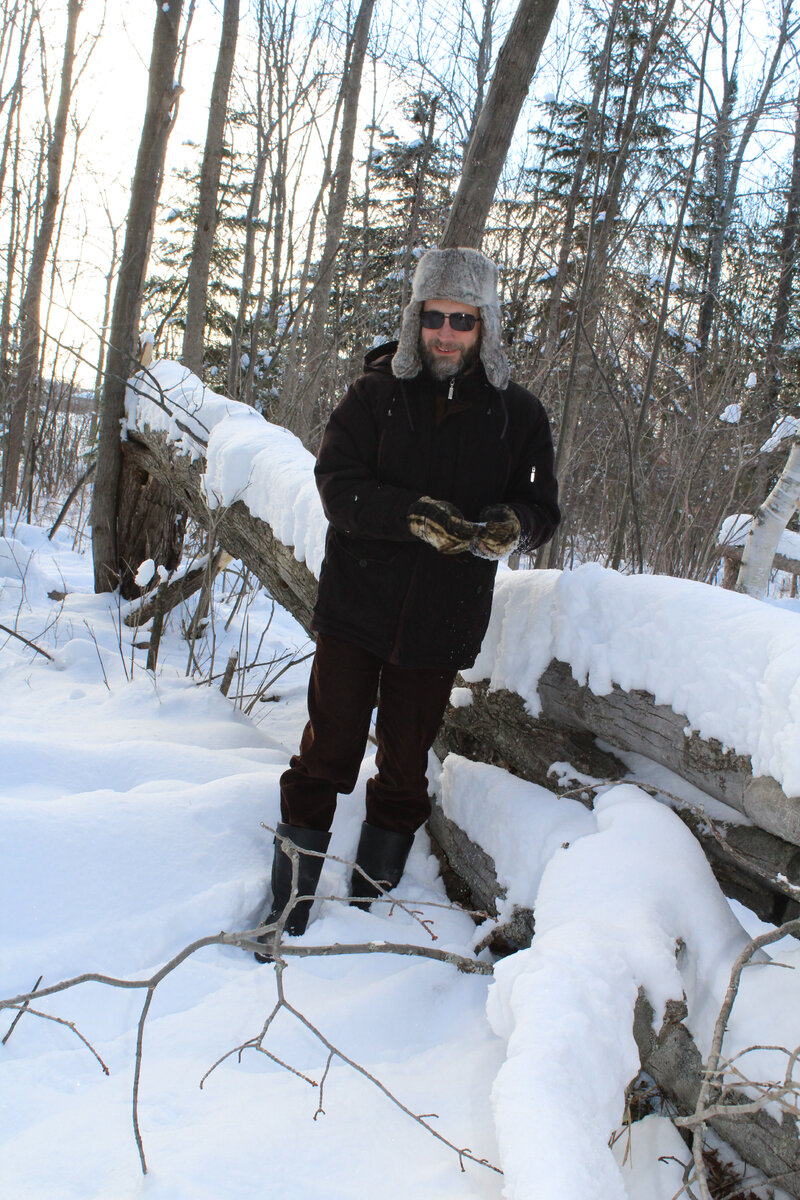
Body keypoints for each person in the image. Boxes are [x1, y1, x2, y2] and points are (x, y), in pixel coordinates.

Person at [255, 246, 560, 960]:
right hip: (357, 609)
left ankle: (369, 906)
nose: (446, 333)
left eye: (462, 319)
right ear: (415, 318)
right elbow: (336, 483)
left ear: (486, 325)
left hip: (443, 622)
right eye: (434, 318)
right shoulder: (374, 397)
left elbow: (542, 507)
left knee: (402, 766)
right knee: (325, 755)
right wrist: (410, 515)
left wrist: (516, 525)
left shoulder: (518, 414)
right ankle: (287, 907)